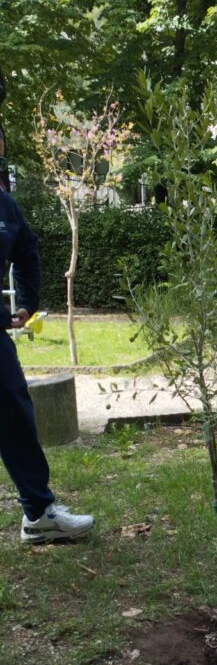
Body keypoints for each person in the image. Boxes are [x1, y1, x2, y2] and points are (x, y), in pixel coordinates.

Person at [0, 189, 94, 543]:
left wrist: (27, 302)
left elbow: (26, 252)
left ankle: (38, 514)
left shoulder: (5, 205)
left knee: (15, 411)